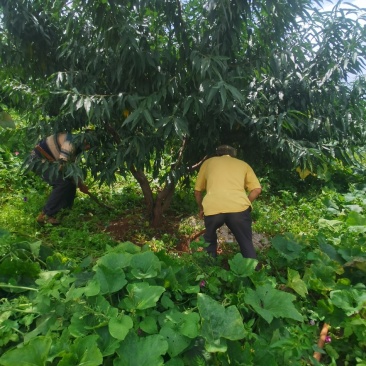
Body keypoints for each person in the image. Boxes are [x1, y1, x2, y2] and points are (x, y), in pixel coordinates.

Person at [194, 145, 262, 259]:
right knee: (245, 242)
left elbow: (197, 191)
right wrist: (245, 203)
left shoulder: (208, 163)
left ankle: (208, 272)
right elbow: (257, 189)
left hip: (213, 208)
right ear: (234, 155)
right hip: (239, 210)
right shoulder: (243, 164)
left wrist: (201, 209)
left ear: (217, 154)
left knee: (209, 241)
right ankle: (254, 272)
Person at [29, 132, 90, 225]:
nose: (88, 147)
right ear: (83, 140)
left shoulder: (77, 148)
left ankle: (63, 213)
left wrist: (79, 183)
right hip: (38, 162)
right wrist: (78, 182)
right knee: (62, 183)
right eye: (88, 144)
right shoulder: (70, 144)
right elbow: (62, 165)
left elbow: (71, 168)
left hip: (51, 163)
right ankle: (46, 215)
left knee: (71, 184)